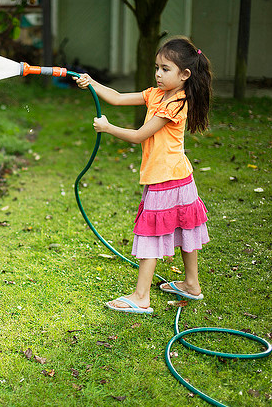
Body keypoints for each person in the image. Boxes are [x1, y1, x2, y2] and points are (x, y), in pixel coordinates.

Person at [73, 37, 212, 314]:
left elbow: (139, 136)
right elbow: (117, 97)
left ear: (185, 75)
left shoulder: (176, 104)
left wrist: (108, 128)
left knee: (151, 233)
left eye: (165, 69)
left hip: (166, 179)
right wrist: (92, 82)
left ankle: (141, 296)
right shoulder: (157, 94)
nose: (158, 74)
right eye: (157, 68)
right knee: (185, 228)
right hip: (178, 177)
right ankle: (191, 285)